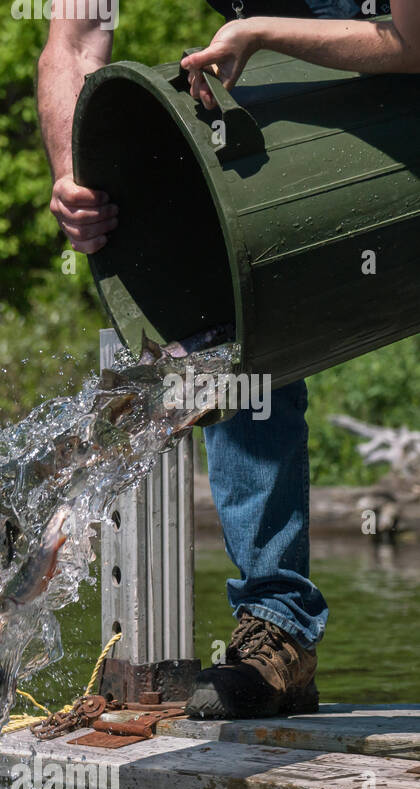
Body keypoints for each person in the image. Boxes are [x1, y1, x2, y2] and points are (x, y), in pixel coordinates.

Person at [37, 0, 417, 719]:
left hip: (396, 44)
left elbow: (414, 40)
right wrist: (72, 177)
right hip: (283, 48)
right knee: (226, 328)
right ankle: (278, 636)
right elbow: (75, 38)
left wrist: (265, 33)